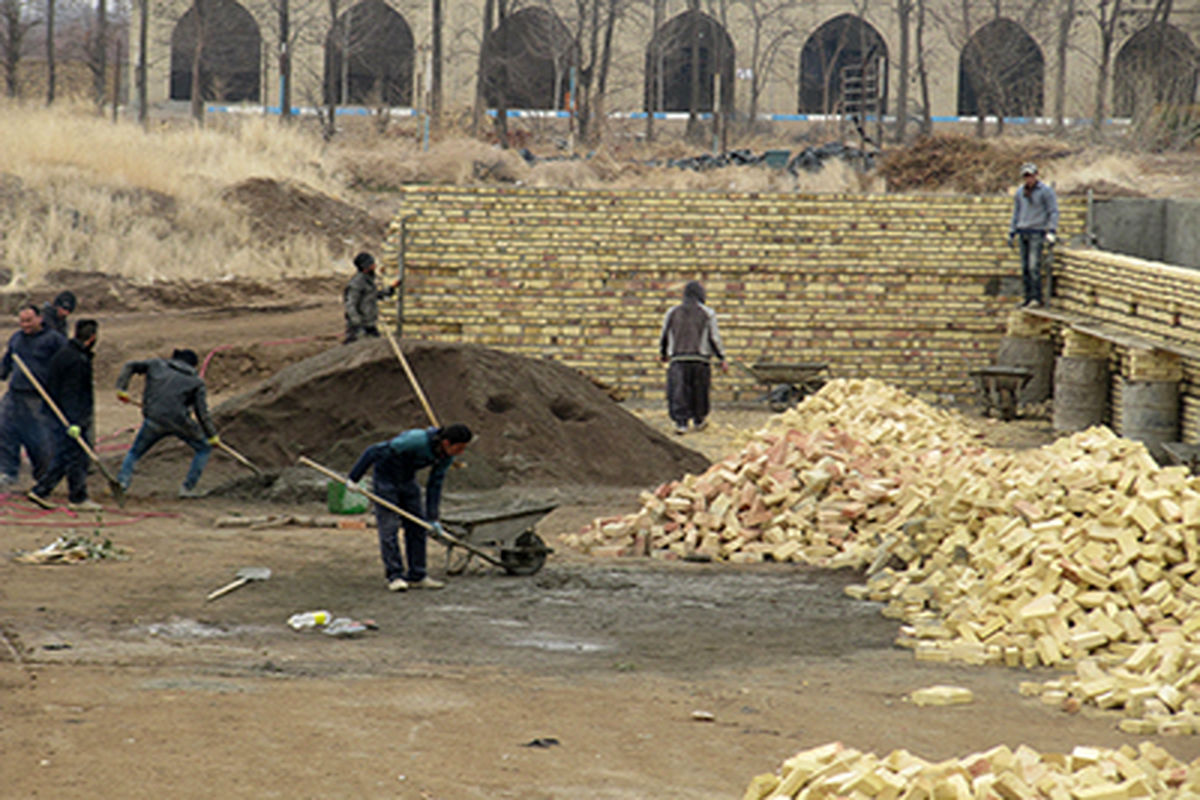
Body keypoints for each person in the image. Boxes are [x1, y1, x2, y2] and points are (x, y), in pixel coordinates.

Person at [346, 423, 473, 592]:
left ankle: (417, 575)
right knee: (389, 528)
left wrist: (433, 518)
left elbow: (435, 485)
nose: (461, 453)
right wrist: (354, 478)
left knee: (417, 526)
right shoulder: (414, 441)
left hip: (407, 480)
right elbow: (373, 451)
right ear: (447, 442)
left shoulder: (446, 456)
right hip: (386, 479)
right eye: (459, 448)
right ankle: (395, 576)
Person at [115, 348, 220, 498]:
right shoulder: (196, 382)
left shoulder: (156, 365)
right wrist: (212, 435)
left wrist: (121, 388)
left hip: (154, 418)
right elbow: (202, 413)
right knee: (204, 448)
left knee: (135, 452)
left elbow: (129, 365)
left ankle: (122, 483)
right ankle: (187, 488)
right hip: (180, 422)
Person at [28, 319, 100, 511]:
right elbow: (72, 393)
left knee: (68, 456)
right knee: (73, 456)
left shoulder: (66, 353)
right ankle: (69, 496)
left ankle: (50, 492)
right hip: (67, 417)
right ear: (92, 337)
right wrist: (74, 422)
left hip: (59, 414)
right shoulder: (77, 360)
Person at [0, 305, 67, 488]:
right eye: (22, 321)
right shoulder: (17, 339)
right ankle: (8, 472)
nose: (25, 325)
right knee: (5, 430)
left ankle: (43, 477)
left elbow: (66, 365)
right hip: (15, 394)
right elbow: (7, 361)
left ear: (40, 318)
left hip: (38, 397)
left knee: (39, 439)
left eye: (29, 321)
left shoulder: (54, 340)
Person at [659, 280, 727, 435]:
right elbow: (714, 337)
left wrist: (663, 354)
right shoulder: (707, 313)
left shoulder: (672, 312)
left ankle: (681, 423)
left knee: (678, 392)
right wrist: (721, 357)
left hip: (677, 358)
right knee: (699, 391)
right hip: (700, 359)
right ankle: (699, 420)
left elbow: (664, 335)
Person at [1009, 162, 1059, 308]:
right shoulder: (1020, 192)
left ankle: (1036, 298)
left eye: (1030, 175)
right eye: (1026, 176)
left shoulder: (1045, 191)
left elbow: (1053, 211)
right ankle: (1027, 297)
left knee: (1033, 267)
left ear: (1036, 175)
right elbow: (1016, 213)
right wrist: (1012, 231)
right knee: (1025, 268)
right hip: (1022, 231)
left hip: (1037, 232)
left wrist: (1051, 230)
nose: (1028, 179)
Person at [343, 251, 395, 344]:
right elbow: (350, 304)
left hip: (369, 322)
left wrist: (389, 291)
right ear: (365, 267)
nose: (375, 265)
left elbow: (372, 295)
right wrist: (356, 322)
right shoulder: (357, 283)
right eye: (372, 264)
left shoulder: (369, 280)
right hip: (360, 325)